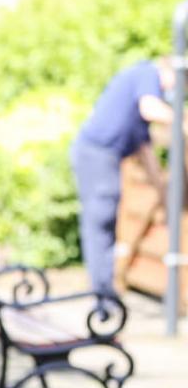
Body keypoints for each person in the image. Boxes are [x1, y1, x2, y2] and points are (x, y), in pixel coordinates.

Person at [70, 57, 180, 300]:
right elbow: (150, 108)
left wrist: (163, 195)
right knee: (101, 221)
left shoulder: (139, 88)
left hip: (100, 156)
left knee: (103, 221)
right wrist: (182, 122)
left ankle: (104, 290)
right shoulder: (148, 74)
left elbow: (145, 152)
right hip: (98, 154)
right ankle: (103, 294)